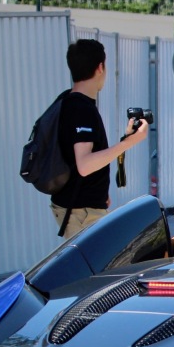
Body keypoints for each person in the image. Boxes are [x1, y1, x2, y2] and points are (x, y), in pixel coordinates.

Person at [51, 39, 150, 238]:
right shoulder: (82, 109)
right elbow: (84, 165)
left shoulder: (68, 101)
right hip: (81, 212)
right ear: (100, 67)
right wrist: (128, 142)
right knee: (93, 269)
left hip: (81, 207)